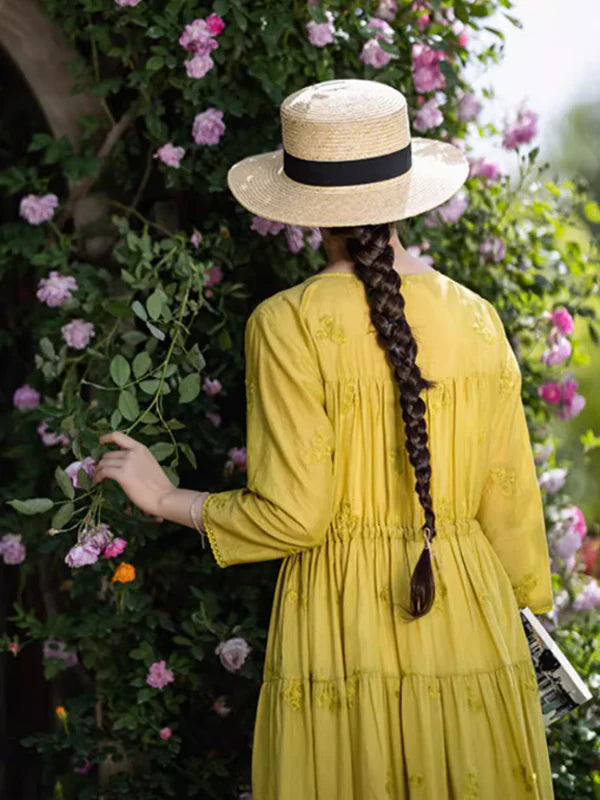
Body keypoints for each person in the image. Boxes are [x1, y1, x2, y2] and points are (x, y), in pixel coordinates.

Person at [92, 79, 555, 799]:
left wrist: (164, 497)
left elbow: (296, 514)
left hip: (345, 624)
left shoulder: (288, 323)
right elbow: (514, 516)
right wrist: (519, 606)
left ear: (307, 208)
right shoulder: (478, 319)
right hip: (470, 617)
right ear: (405, 191)